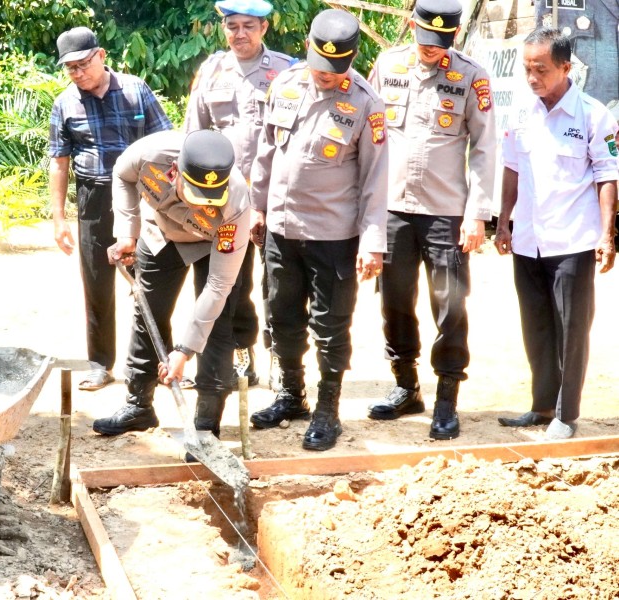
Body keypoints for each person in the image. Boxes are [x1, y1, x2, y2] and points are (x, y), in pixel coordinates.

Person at [248, 9, 388, 451]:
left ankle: (328, 410)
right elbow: (266, 152)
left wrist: (372, 243)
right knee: (282, 316)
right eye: (320, 66)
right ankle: (292, 395)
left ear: (351, 58)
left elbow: (375, 179)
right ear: (308, 49)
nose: (326, 76)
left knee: (329, 326)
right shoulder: (284, 85)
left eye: (337, 69)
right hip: (281, 228)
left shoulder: (366, 103)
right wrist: (256, 207)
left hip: (333, 235)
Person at [365, 0, 497, 440]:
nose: (430, 50)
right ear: (411, 25)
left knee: (450, 305)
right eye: (424, 39)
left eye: (439, 44)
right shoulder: (387, 64)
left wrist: (477, 213)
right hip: (393, 208)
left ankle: (446, 398)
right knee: (394, 301)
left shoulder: (472, 76)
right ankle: (406, 387)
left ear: (454, 37)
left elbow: (484, 148)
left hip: (446, 211)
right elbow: (369, 132)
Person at [494, 27, 618, 440]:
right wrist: (503, 221)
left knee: (570, 330)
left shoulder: (594, 115)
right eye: (527, 68)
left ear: (566, 67)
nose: (532, 78)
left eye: (541, 69)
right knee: (537, 327)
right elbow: (512, 169)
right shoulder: (520, 114)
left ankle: (566, 414)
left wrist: (606, 235)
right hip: (529, 240)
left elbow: (607, 175)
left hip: (573, 242)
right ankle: (542, 405)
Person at [91, 130, 249, 439]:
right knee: (148, 312)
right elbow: (122, 176)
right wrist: (127, 231)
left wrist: (184, 350)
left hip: (212, 243)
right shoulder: (150, 154)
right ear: (174, 171)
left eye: (209, 200)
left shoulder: (237, 201)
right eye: (195, 196)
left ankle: (205, 423)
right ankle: (139, 406)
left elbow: (218, 285)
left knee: (216, 326)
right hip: (160, 234)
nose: (203, 205)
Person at [49, 26, 173, 392]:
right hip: (94, 198)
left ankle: (162, 362)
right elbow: (59, 161)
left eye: (83, 64)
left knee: (150, 280)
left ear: (101, 55)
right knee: (96, 283)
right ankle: (100, 364)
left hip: (141, 195)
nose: (78, 73)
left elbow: (166, 143)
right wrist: (59, 218)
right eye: (70, 68)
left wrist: (167, 199)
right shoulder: (65, 103)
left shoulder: (136, 90)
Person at [184, 0, 294, 390]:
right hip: (225, 203)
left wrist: (265, 204)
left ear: (264, 28)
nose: (240, 34)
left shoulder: (287, 71)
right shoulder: (211, 70)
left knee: (280, 286)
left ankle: (282, 361)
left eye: (249, 26)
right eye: (232, 26)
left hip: (276, 199)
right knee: (232, 282)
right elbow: (193, 138)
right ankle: (239, 353)